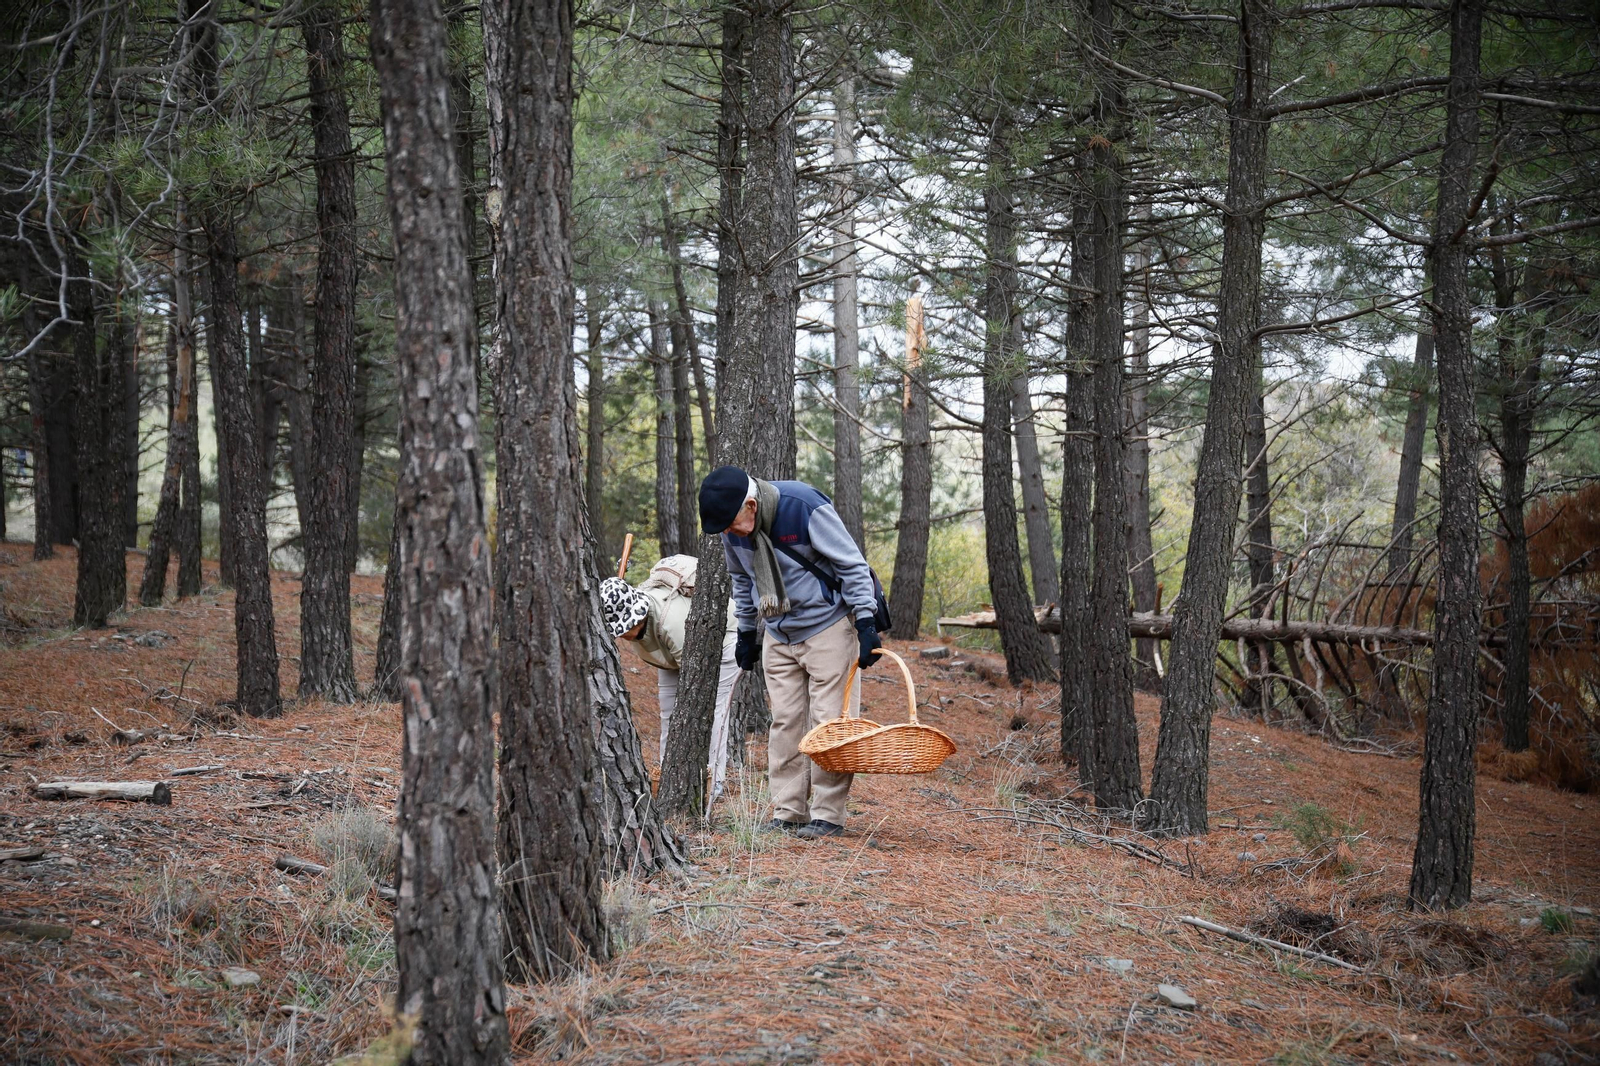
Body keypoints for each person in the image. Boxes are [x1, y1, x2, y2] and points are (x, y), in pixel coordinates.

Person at [699, 465, 881, 840]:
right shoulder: (732, 529)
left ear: (751, 505)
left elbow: (852, 564)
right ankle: (788, 811)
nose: (730, 533)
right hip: (778, 632)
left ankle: (828, 815)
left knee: (830, 724)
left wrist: (866, 622)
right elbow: (742, 579)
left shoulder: (803, 506)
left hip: (828, 627)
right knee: (785, 723)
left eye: (733, 524)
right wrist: (747, 634)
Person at [600, 554, 741, 803]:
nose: (623, 635)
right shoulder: (644, 628)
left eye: (626, 628)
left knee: (714, 712)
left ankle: (714, 781)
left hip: (722, 640)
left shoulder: (671, 623)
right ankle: (668, 777)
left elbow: (696, 685)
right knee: (669, 714)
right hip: (674, 653)